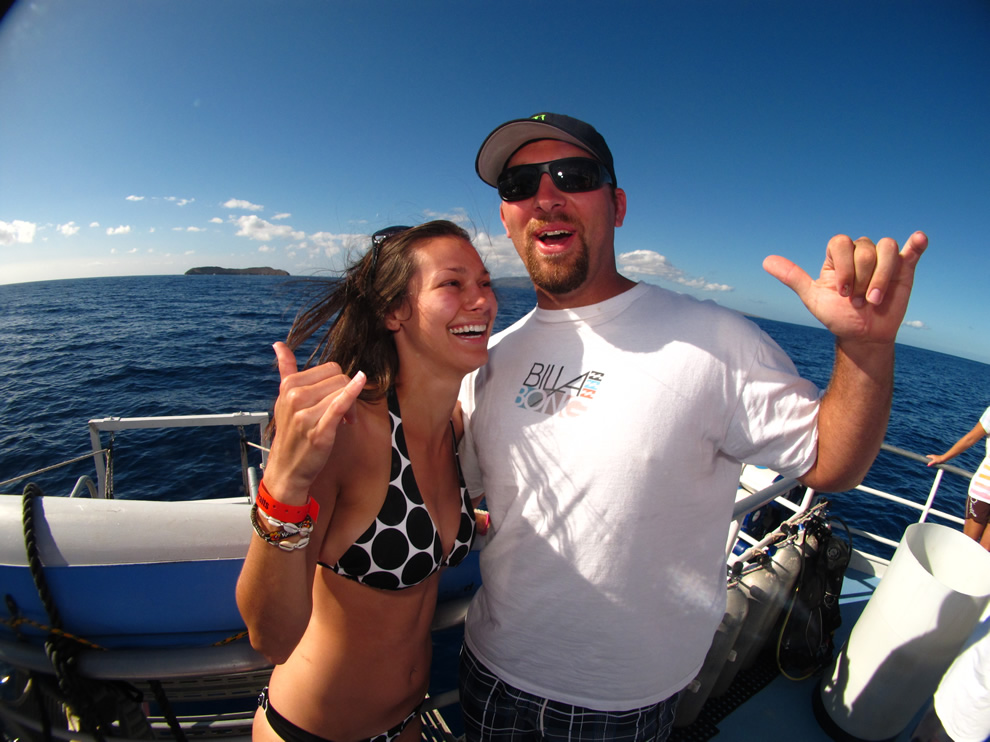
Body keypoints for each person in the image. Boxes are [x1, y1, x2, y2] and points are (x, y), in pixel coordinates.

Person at [456, 112, 928, 740]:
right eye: (518, 185)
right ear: (508, 215)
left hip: (621, 702)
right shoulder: (489, 359)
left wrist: (866, 354)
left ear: (617, 205)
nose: (545, 196)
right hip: (488, 669)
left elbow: (833, 462)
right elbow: (470, 500)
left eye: (573, 175)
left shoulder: (718, 341)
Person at [236, 220, 497, 742]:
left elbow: (426, 528)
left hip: (406, 724)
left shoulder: (453, 427)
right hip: (312, 731)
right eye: (453, 284)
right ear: (393, 312)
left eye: (486, 284)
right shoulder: (348, 435)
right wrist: (283, 485)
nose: (483, 302)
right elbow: (271, 638)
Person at [926, 406, 990, 549]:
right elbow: (971, 438)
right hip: (983, 491)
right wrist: (944, 457)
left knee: (986, 553)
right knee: (967, 545)